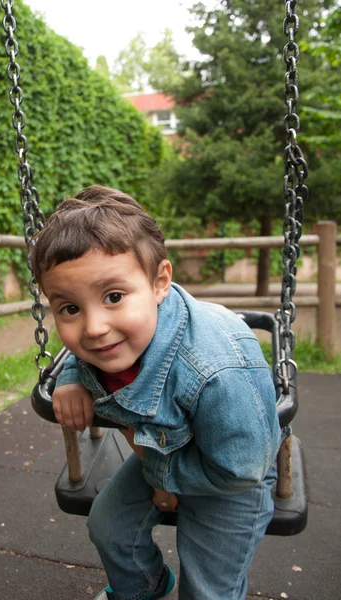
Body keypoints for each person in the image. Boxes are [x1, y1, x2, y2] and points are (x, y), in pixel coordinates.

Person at [29, 185, 282, 600]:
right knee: (107, 526)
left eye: (113, 297)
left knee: (207, 586)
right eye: (70, 308)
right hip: (164, 450)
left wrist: (163, 480)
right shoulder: (110, 338)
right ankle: (143, 588)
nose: (93, 328)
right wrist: (72, 375)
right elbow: (83, 349)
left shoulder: (217, 372)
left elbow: (242, 469)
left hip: (231, 473)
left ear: (160, 282)